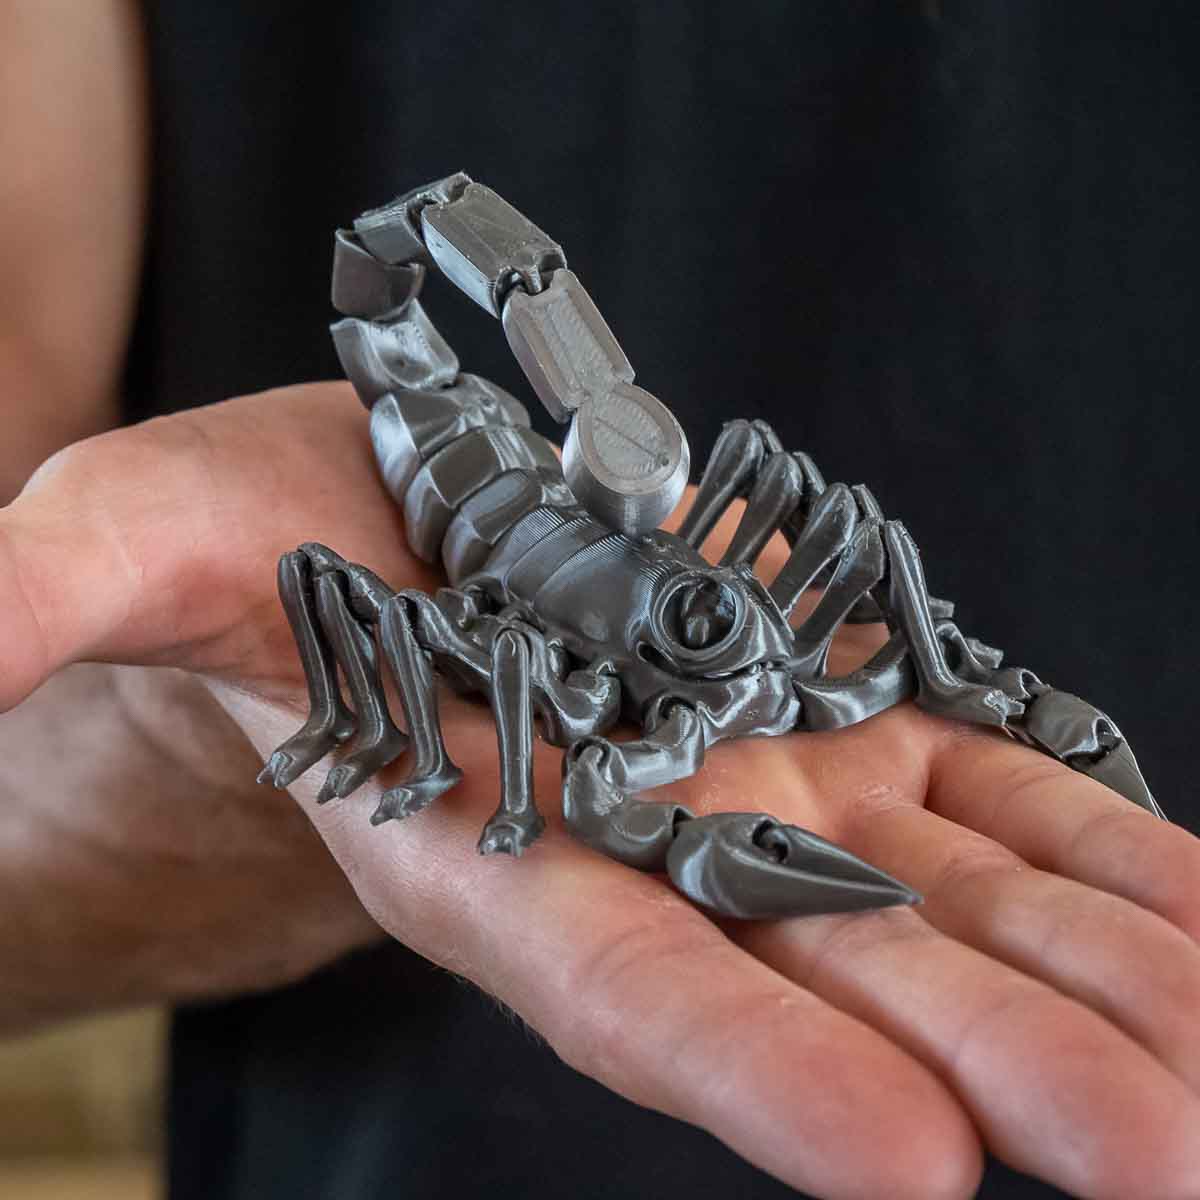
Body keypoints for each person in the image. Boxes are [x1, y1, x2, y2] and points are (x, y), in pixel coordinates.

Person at [3, 2, 1198, 1197]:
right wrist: (213, 736)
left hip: (564, 508)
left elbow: (839, 523)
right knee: (488, 642)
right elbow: (563, 754)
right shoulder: (575, 691)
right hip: (468, 510)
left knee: (830, 505)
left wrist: (936, 668)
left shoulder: (749, 611)